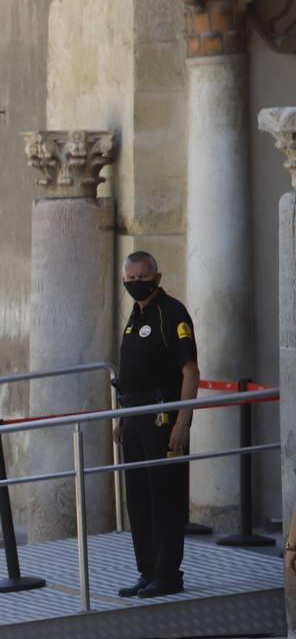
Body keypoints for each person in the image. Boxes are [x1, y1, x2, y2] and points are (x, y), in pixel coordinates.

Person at [114, 251, 198, 599]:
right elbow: (129, 375)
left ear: (157, 276)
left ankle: (167, 574)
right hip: (134, 417)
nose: (137, 284)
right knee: (138, 497)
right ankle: (146, 571)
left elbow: (190, 371)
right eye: (130, 280)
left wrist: (183, 420)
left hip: (163, 416)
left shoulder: (172, 313)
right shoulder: (135, 316)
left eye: (142, 277)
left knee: (165, 496)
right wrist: (121, 417)